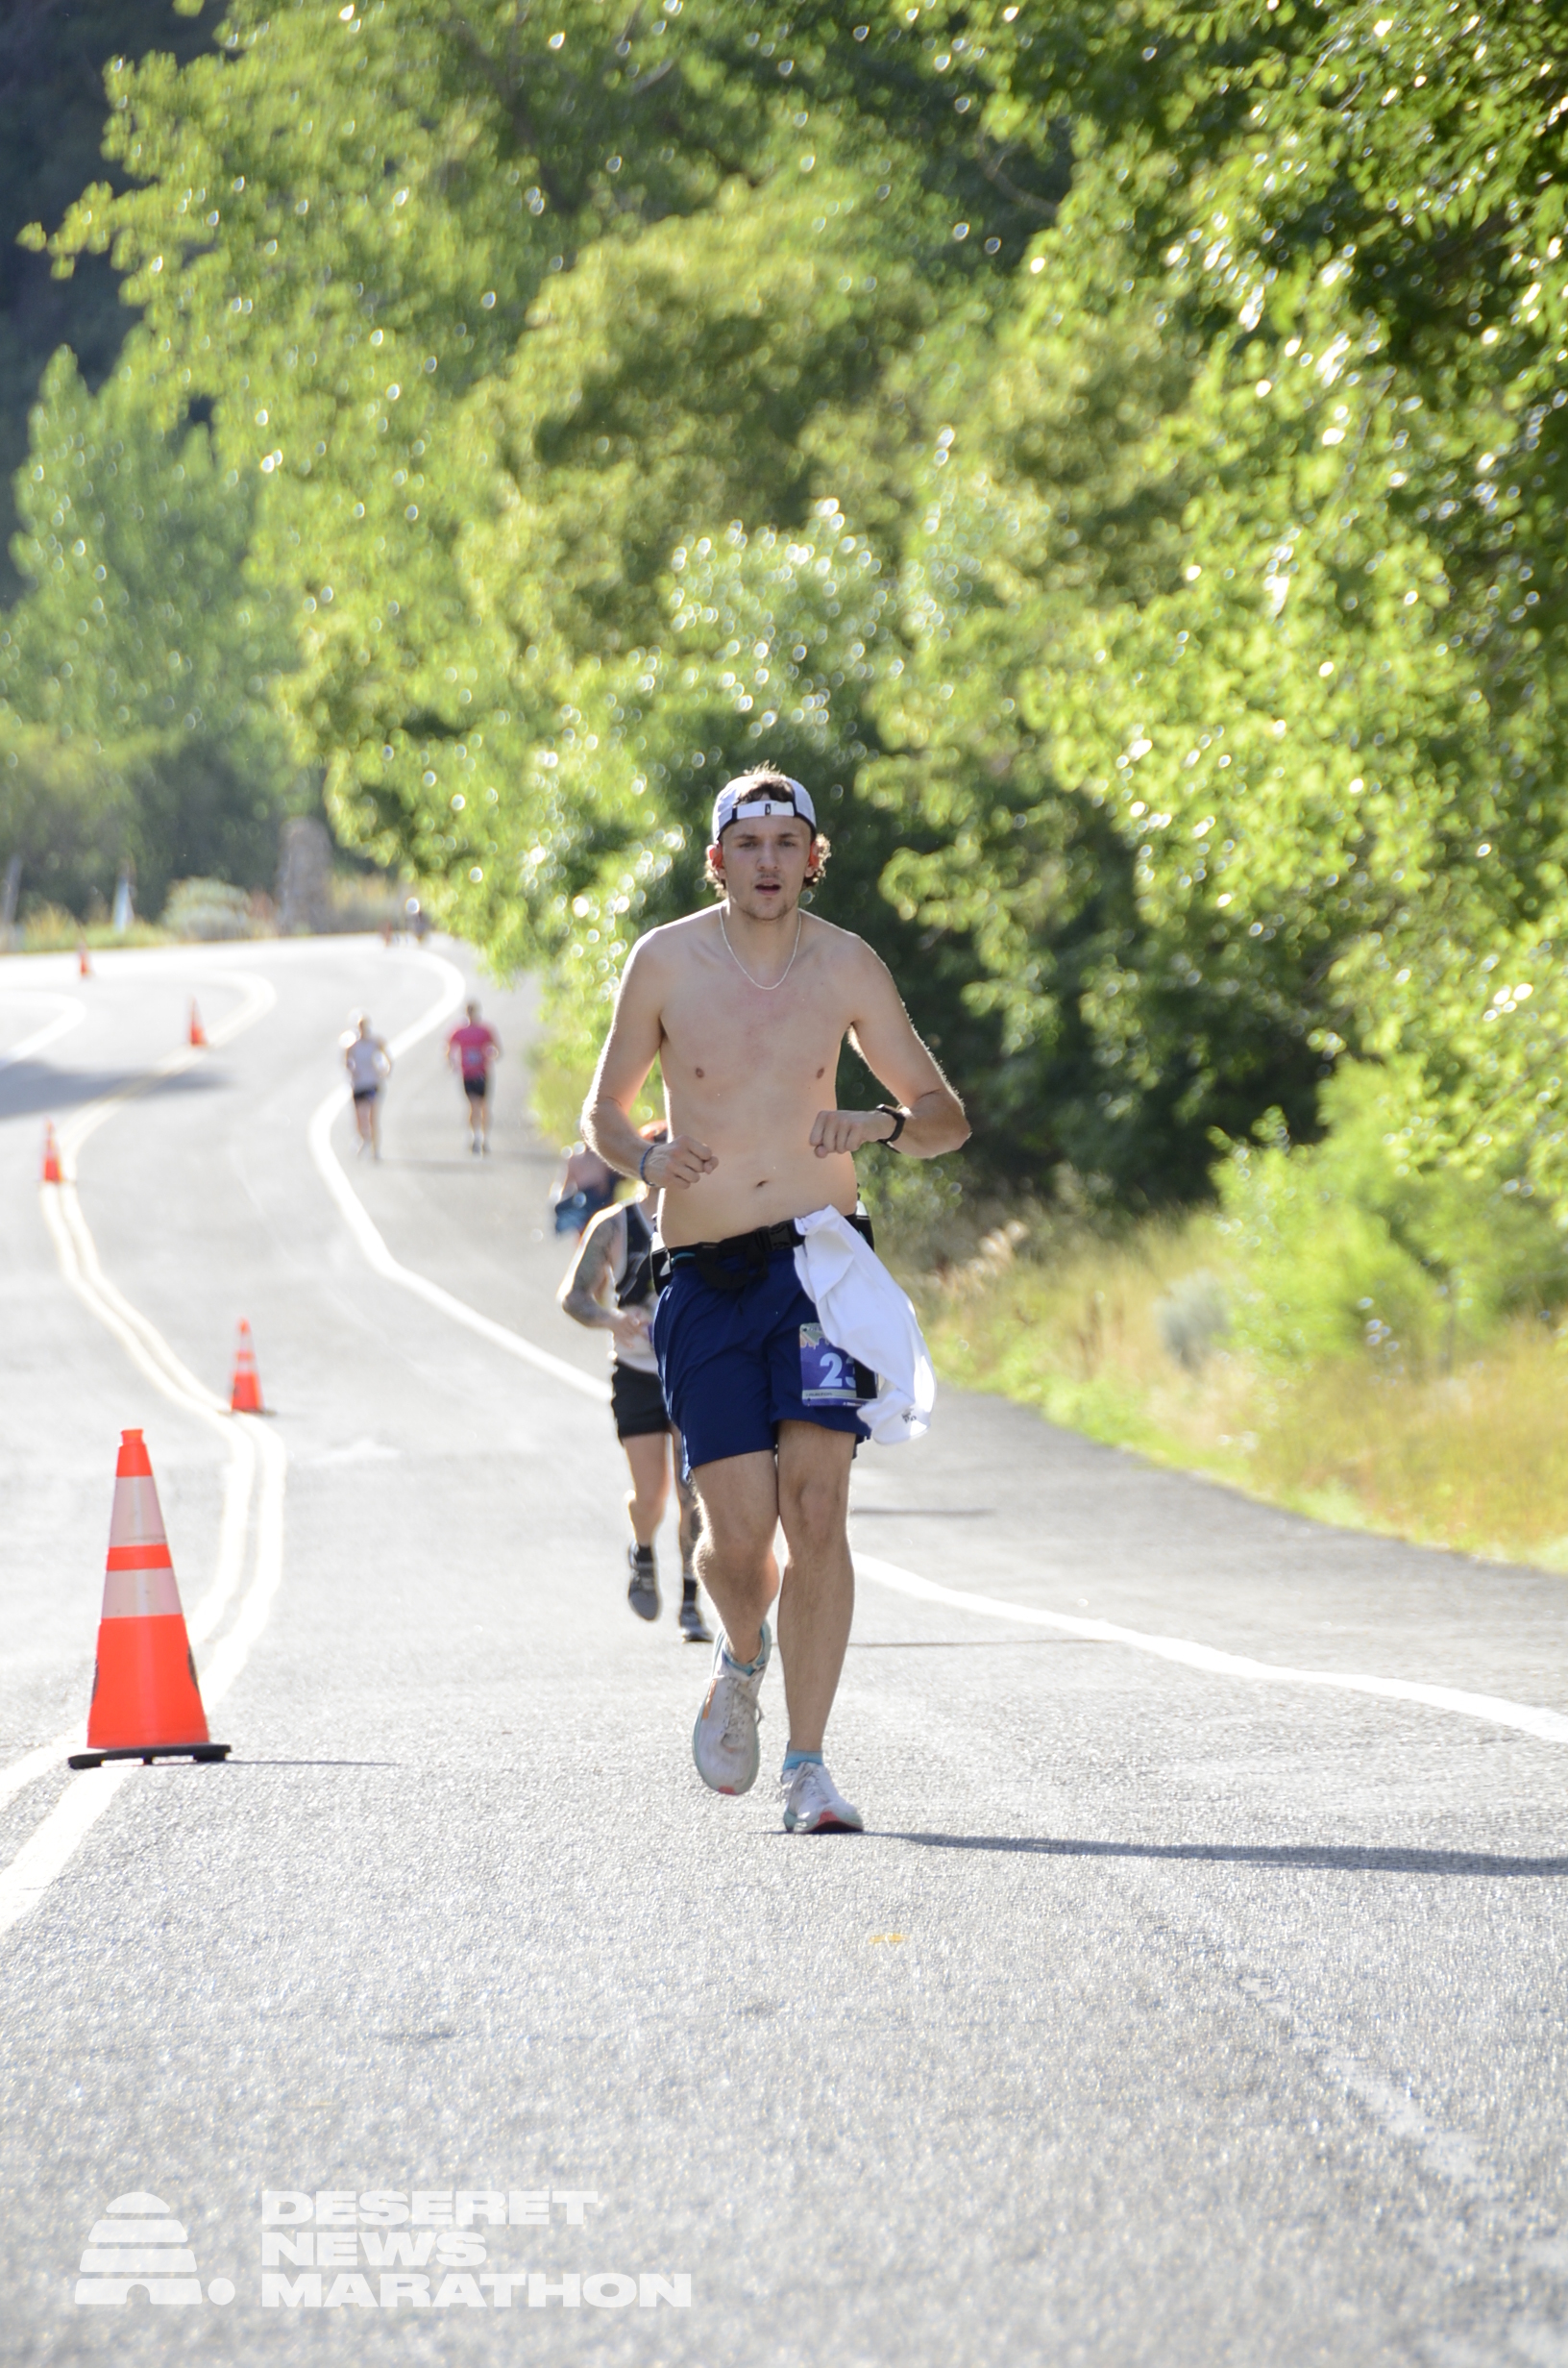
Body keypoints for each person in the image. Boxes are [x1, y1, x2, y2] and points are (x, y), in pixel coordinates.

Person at [581, 766, 968, 1834]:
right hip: (704, 1277)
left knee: (819, 1508)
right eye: (748, 846)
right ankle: (741, 1652)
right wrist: (642, 1162)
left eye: (787, 844)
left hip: (818, 1269)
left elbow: (943, 1116)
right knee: (741, 1540)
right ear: (718, 861)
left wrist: (880, 1124)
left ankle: (809, 1766)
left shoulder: (846, 965)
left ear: (811, 857)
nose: (768, 863)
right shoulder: (664, 961)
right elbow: (603, 1113)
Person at [557, 1122, 713, 1643]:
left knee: (694, 1497)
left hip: (692, 1373)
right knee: (652, 1496)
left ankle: (691, 1602)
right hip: (638, 1375)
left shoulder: (706, 1220)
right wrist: (613, 1320)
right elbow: (574, 1296)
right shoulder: (615, 1225)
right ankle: (643, 1552)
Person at [447, 999, 502, 1155]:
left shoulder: (484, 1030)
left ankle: (484, 1138)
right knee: (473, 1105)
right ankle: (474, 1136)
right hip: (468, 1073)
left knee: (483, 1105)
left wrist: (492, 1054)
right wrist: (451, 1062)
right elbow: (449, 1046)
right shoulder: (459, 1031)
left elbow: (497, 1047)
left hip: (481, 1072)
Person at [342, 1013, 392, 1158]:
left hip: (372, 1083)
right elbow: (347, 1062)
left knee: (372, 1117)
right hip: (358, 1085)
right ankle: (364, 1138)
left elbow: (387, 1056)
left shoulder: (374, 1042)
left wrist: (385, 1070)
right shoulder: (352, 1045)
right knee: (359, 1117)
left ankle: (375, 1150)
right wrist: (352, 1071)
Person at [551, 1141, 618, 1236]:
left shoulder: (603, 1158)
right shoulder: (576, 1159)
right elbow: (565, 1187)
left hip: (602, 1206)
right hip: (586, 1207)